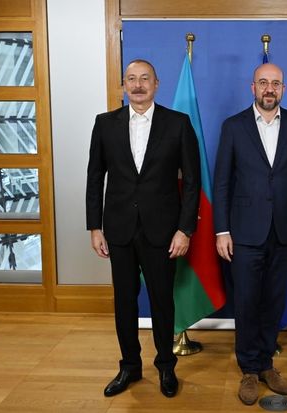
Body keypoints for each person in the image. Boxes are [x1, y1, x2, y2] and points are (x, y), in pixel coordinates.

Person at [85, 59, 201, 398]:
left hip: (163, 231)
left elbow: (192, 182)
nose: (138, 85)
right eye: (132, 79)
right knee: (124, 302)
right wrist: (94, 227)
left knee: (162, 301)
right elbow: (95, 177)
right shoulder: (104, 124)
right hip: (118, 229)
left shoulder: (178, 123)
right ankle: (129, 367)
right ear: (124, 85)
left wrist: (185, 230)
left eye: (145, 78)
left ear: (156, 84)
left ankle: (166, 366)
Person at [213, 63, 287, 406]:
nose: (269, 88)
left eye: (275, 83)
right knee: (246, 302)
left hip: (286, 230)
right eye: (263, 82)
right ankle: (248, 369)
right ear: (253, 88)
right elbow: (222, 182)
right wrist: (222, 230)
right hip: (244, 232)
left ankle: (266, 365)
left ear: (283, 89)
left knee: (274, 300)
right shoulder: (233, 126)